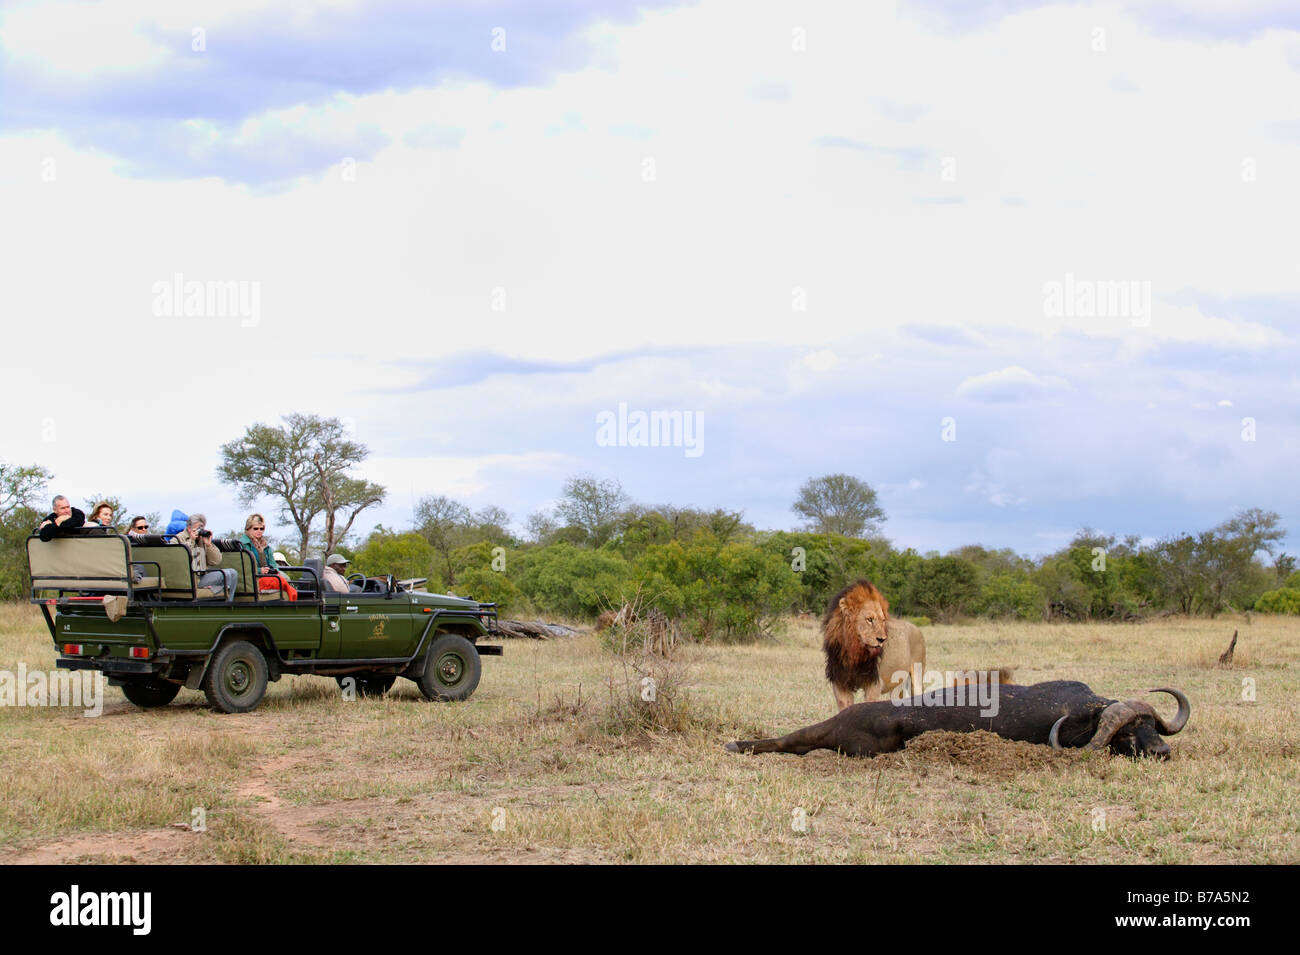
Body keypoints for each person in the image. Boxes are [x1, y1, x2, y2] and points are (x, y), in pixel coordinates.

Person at [172, 513, 236, 600]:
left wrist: (209, 545)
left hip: (201, 576)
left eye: (202, 528)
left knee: (232, 573)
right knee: (226, 574)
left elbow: (216, 561)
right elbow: (180, 560)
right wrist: (191, 541)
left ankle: (228, 603)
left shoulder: (201, 539)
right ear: (189, 528)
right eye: (198, 528)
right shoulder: (177, 539)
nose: (200, 530)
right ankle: (222, 603)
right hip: (188, 580)